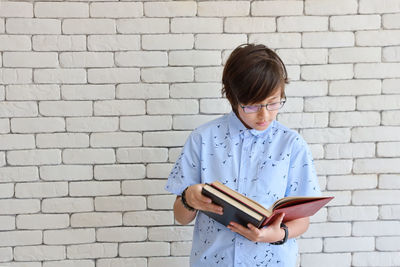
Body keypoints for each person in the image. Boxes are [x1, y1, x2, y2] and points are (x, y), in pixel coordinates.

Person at [165, 43, 321, 267]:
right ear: (233, 97)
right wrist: (190, 198)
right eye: (253, 105)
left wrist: (276, 235)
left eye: (274, 103)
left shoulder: (292, 145)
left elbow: (302, 220)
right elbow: (180, 217)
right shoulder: (203, 139)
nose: (264, 115)